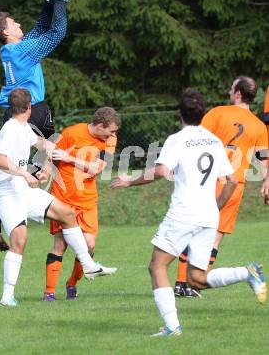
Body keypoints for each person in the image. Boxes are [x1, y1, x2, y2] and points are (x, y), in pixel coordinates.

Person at [111, 88, 267, 336]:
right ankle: (247, 273)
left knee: (157, 267)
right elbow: (232, 181)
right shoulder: (213, 140)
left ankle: (173, 328)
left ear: (180, 114)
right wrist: (215, 207)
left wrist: (129, 181)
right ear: (203, 113)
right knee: (196, 278)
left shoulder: (178, 139)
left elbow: (161, 171)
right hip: (208, 215)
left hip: (184, 213)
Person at [0, 88, 117, 306]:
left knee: (66, 214)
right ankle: (7, 296)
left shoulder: (22, 127)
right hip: (7, 194)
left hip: (23, 190)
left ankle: (87, 264)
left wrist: (54, 148)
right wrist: (24, 173)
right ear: (29, 107)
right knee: (20, 239)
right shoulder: (10, 129)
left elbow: (40, 143)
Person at [0, 0, 73, 251]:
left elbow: (38, 28)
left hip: (12, 114)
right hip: (32, 111)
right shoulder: (24, 52)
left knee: (7, 168)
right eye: (14, 23)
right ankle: (38, 177)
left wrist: (48, 0)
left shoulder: (10, 51)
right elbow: (56, 33)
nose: (19, 23)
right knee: (47, 149)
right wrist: (60, 0)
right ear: (6, 32)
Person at [174, 76, 268, 298]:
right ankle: (196, 281)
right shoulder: (258, 126)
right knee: (214, 237)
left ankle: (182, 283)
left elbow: (196, 137)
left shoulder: (218, 113)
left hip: (207, 182)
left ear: (237, 94)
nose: (228, 90)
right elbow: (265, 159)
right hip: (234, 187)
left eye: (231, 87)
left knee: (191, 230)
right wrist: (266, 181)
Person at [38, 107, 120, 301]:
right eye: (111, 131)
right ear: (100, 126)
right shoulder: (71, 133)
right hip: (63, 197)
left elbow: (97, 169)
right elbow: (52, 157)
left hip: (87, 199)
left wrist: (70, 158)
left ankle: (72, 283)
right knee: (60, 244)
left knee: (89, 245)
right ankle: (48, 293)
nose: (113, 135)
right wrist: (45, 173)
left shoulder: (110, 141)